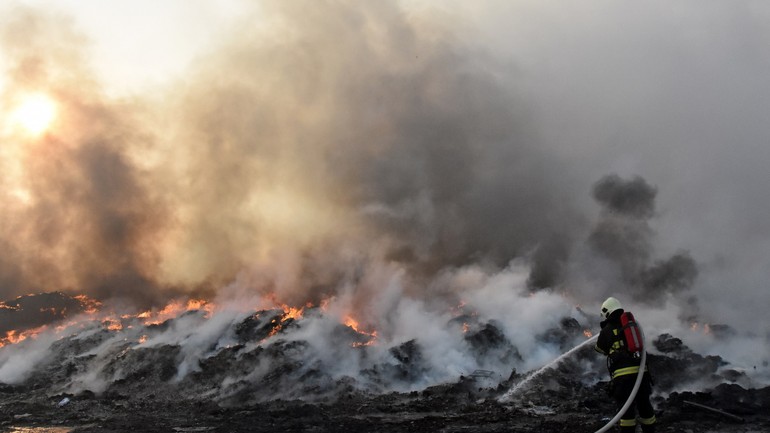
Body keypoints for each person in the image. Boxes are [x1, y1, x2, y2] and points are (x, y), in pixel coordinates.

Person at [594, 297, 656, 433]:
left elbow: (599, 348)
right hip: (642, 373)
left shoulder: (607, 329)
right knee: (645, 405)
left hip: (623, 378)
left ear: (607, 311)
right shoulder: (633, 325)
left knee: (626, 411)